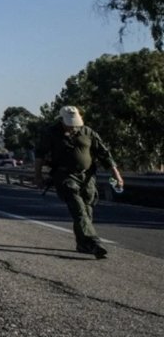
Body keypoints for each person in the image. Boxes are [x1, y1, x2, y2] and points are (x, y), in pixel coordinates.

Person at [34, 106, 124, 259]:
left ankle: (82, 244)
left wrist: (116, 175)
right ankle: (93, 242)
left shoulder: (88, 132)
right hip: (64, 175)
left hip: (87, 177)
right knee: (78, 208)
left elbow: (104, 154)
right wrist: (38, 176)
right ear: (61, 120)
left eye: (75, 123)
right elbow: (40, 156)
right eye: (69, 123)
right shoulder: (51, 133)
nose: (72, 126)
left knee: (87, 210)